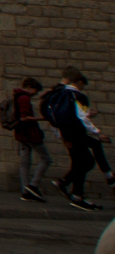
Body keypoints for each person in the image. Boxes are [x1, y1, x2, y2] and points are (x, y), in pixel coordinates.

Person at [41, 69, 103, 209]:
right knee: (84, 162)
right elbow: (81, 117)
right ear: (79, 82)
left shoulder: (59, 94)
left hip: (69, 135)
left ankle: (68, 186)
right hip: (76, 135)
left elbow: (55, 119)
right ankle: (76, 195)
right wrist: (97, 133)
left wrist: (62, 137)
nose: (82, 88)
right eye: (82, 85)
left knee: (82, 163)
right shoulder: (74, 95)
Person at [3, 74, 49, 200]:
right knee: (46, 159)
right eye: (35, 90)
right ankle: (33, 185)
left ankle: (25, 191)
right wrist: (42, 118)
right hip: (30, 134)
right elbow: (25, 118)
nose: (35, 94)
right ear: (29, 87)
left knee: (25, 162)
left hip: (20, 134)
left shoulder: (16, 96)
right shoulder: (24, 98)